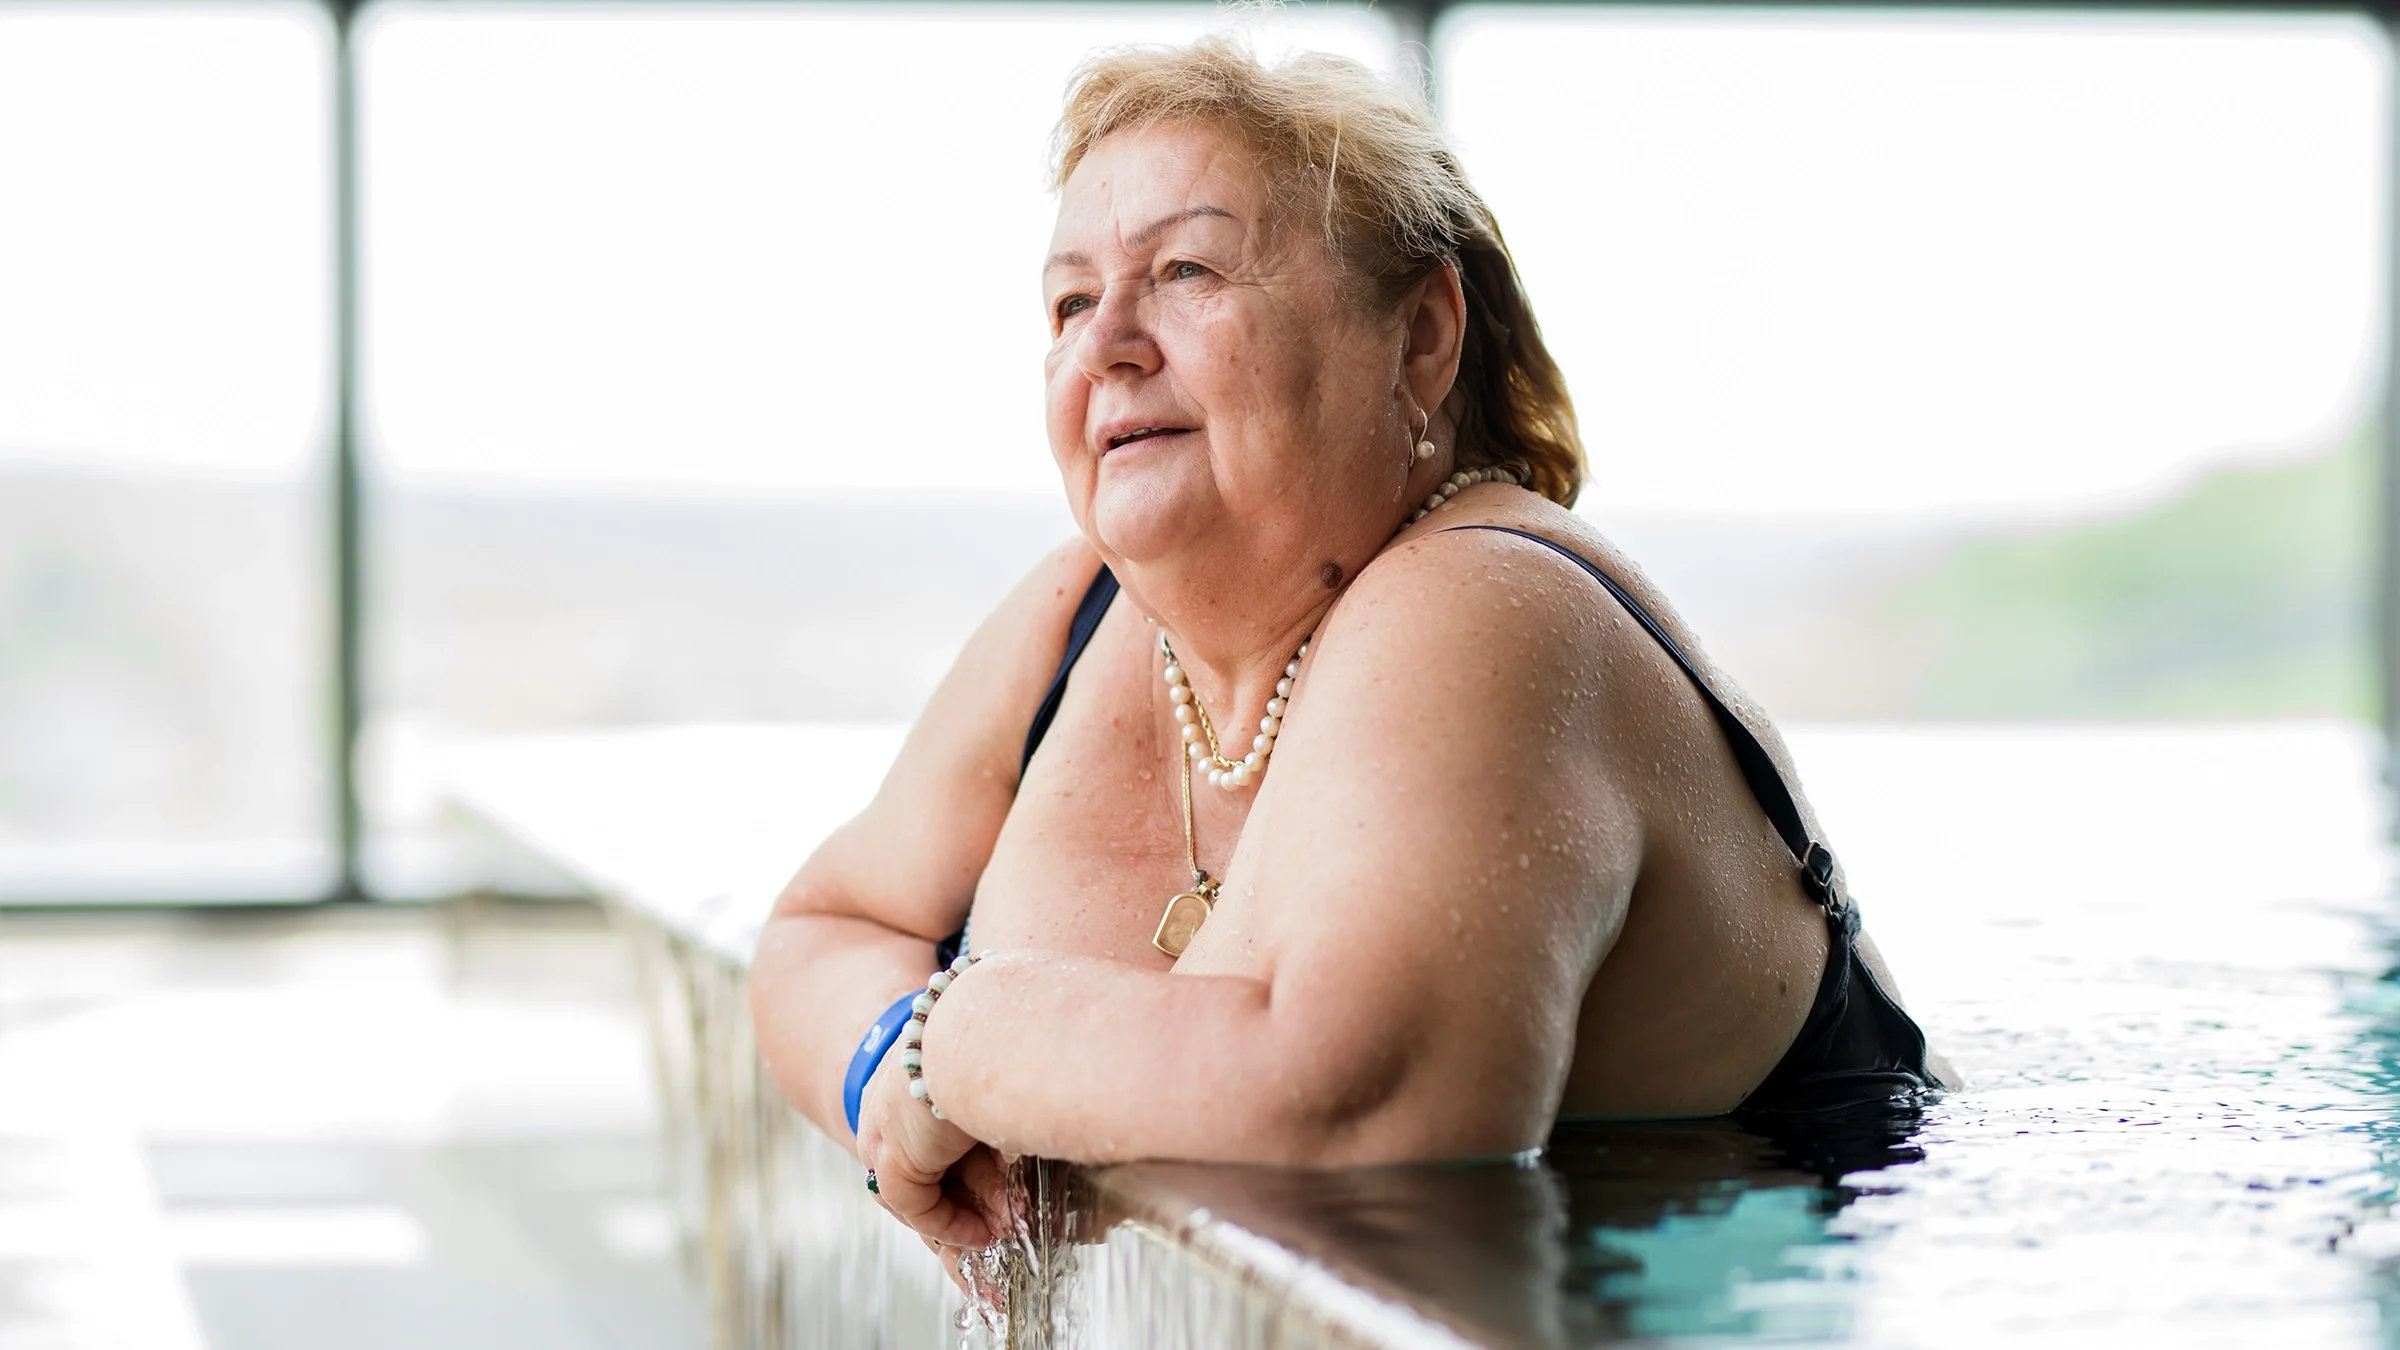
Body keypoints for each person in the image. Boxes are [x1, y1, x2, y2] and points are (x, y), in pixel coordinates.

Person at [749, 36, 1943, 1258]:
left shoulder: (1489, 605)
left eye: (1187, 270)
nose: (1106, 339)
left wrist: (964, 1044)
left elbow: (1374, 1107)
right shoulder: (1082, 615)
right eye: (1068, 300)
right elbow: (818, 934)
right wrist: (884, 1079)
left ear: (1421, 337)